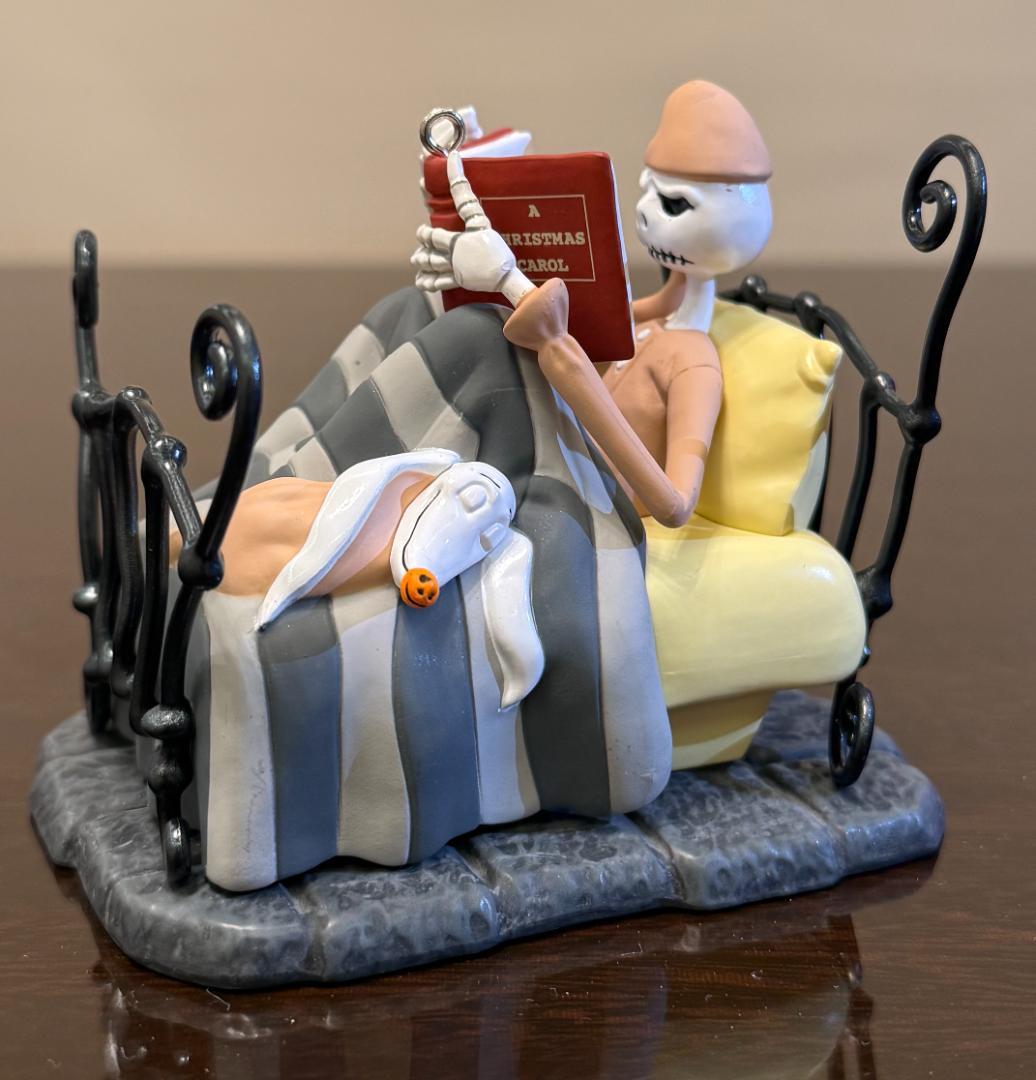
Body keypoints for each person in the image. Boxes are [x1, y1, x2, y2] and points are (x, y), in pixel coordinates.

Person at [412, 80, 773, 528]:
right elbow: (604, 311)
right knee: (415, 312)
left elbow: (675, 504)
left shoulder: (692, 359)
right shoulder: (644, 321)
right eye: (647, 190)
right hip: (532, 474)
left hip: (584, 518)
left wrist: (546, 331)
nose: (645, 211)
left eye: (673, 203)